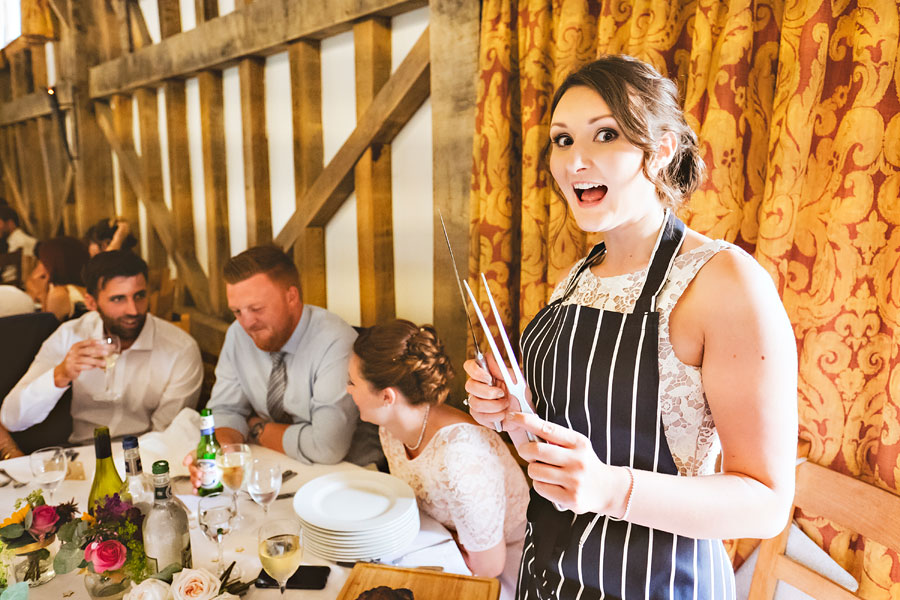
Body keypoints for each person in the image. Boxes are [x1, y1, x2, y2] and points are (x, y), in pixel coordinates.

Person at [464, 55, 798, 599]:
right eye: (563, 140)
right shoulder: (580, 274)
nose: (575, 161)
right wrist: (513, 413)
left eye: (606, 134)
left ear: (662, 149)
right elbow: (560, 449)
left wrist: (610, 489)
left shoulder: (725, 282)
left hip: (660, 583)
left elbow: (765, 503)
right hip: (547, 572)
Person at [347, 320, 528, 598]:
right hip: (440, 546)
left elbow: (489, 567)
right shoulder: (390, 430)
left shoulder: (461, 456)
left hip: (505, 572)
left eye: (352, 382)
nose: (348, 390)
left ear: (386, 397)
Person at [186, 245, 381, 482]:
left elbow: (327, 447)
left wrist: (256, 428)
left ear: (291, 297)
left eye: (256, 309)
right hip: (279, 464)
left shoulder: (336, 341)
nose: (246, 323)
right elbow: (226, 410)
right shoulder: (238, 335)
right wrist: (221, 448)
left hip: (350, 473)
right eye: (237, 311)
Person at [1, 250, 203, 443]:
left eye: (139, 296)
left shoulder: (180, 349)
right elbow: (12, 418)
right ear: (91, 302)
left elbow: (167, 433)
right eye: (118, 299)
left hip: (147, 456)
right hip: (80, 454)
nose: (133, 310)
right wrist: (60, 375)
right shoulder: (69, 336)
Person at [25, 236, 91, 321]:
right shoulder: (82, 289)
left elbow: (46, 328)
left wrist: (42, 294)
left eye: (42, 261)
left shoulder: (59, 294)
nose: (39, 266)